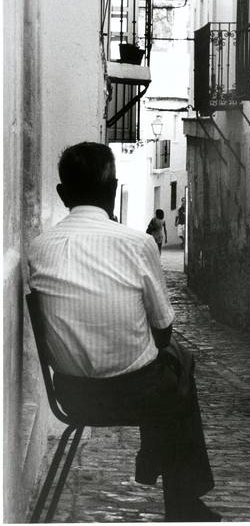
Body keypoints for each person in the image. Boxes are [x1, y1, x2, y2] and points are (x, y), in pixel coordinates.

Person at [27, 142, 220, 522]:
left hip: (72, 396)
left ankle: (159, 466)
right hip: (139, 397)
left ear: (62, 194)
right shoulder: (138, 244)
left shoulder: (38, 248)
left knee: (172, 369)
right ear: (113, 190)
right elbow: (164, 330)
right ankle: (178, 494)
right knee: (180, 360)